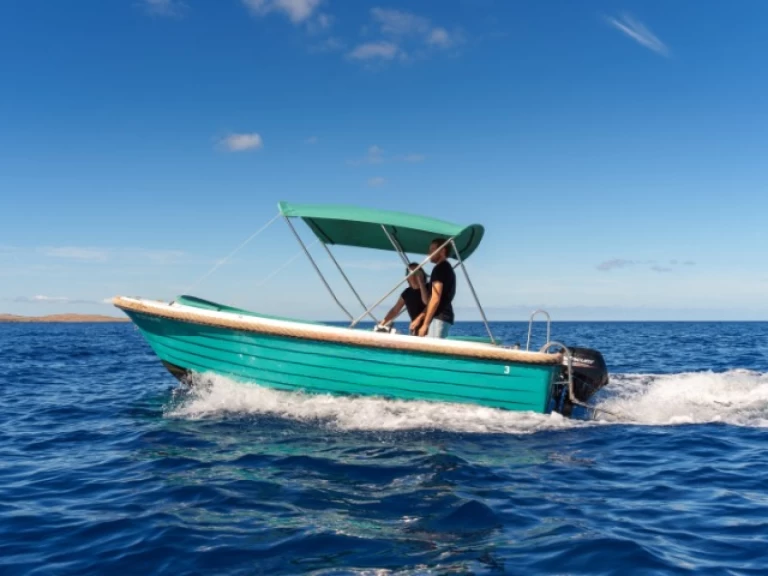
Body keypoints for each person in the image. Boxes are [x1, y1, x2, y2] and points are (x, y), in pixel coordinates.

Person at [418, 238, 456, 338]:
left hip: (439, 317)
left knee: (430, 352)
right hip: (441, 317)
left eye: (432, 249)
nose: (429, 253)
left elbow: (435, 298)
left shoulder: (440, 269)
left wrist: (425, 325)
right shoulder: (446, 268)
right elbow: (428, 301)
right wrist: (421, 283)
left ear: (442, 251)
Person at [379, 263, 430, 334]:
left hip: (429, 326)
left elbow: (430, 305)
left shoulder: (429, 288)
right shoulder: (407, 293)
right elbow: (395, 310)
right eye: (410, 272)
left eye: (416, 272)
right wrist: (382, 324)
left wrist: (421, 282)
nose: (413, 275)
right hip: (414, 327)